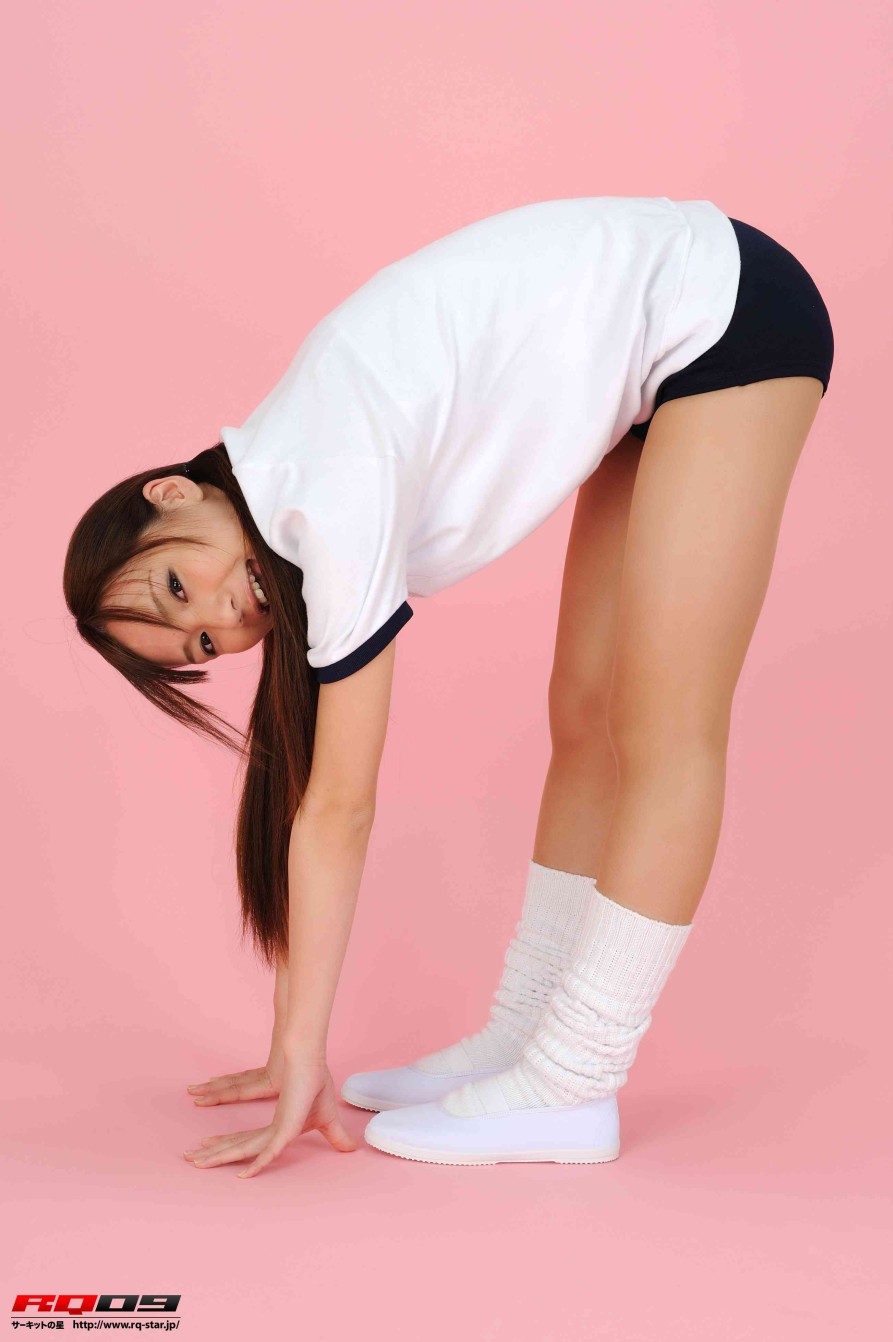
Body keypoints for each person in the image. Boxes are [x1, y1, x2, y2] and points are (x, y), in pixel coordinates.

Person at [63, 196, 834, 1173]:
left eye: (177, 585)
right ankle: (522, 1034)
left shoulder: (318, 485)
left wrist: (301, 1047)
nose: (223, 612)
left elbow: (339, 807)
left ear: (171, 493)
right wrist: (290, 1040)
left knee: (663, 729)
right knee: (584, 713)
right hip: (650, 353)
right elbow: (313, 803)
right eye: (204, 640)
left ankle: (574, 1078)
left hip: (724, 311)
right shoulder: (290, 488)